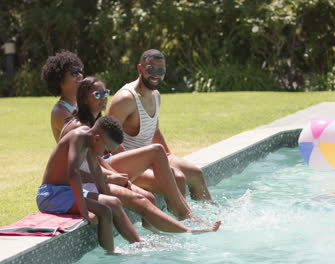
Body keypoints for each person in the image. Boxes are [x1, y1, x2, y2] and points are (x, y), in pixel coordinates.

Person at [61, 76, 220, 232]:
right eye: (97, 95)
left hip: (109, 166)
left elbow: (104, 155)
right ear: (83, 99)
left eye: (105, 93)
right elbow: (76, 166)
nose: (103, 98)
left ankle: (161, 230)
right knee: (156, 150)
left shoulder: (97, 121)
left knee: (177, 177)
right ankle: (186, 216)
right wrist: (111, 176)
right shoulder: (78, 127)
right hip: (103, 171)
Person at [108, 49, 212, 202]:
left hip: (150, 159)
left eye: (161, 70)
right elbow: (109, 138)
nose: (156, 74)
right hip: (124, 166)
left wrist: (169, 159)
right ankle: (183, 221)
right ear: (140, 69)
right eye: (151, 69)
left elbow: (154, 131)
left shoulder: (155, 96)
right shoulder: (126, 99)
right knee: (177, 178)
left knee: (196, 173)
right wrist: (135, 166)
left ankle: (210, 214)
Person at [37, 116, 140, 252]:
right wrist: (84, 211)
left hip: (66, 193)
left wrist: (105, 197)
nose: (106, 154)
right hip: (51, 194)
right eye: (107, 151)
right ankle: (111, 255)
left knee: (114, 202)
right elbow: (73, 172)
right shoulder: (78, 137)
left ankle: (137, 243)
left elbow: (96, 171)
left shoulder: (90, 141)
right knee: (104, 211)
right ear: (97, 138)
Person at [41, 50, 84, 142]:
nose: (80, 76)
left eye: (80, 71)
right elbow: (84, 139)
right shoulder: (60, 112)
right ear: (59, 79)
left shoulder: (80, 104)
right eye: (74, 72)